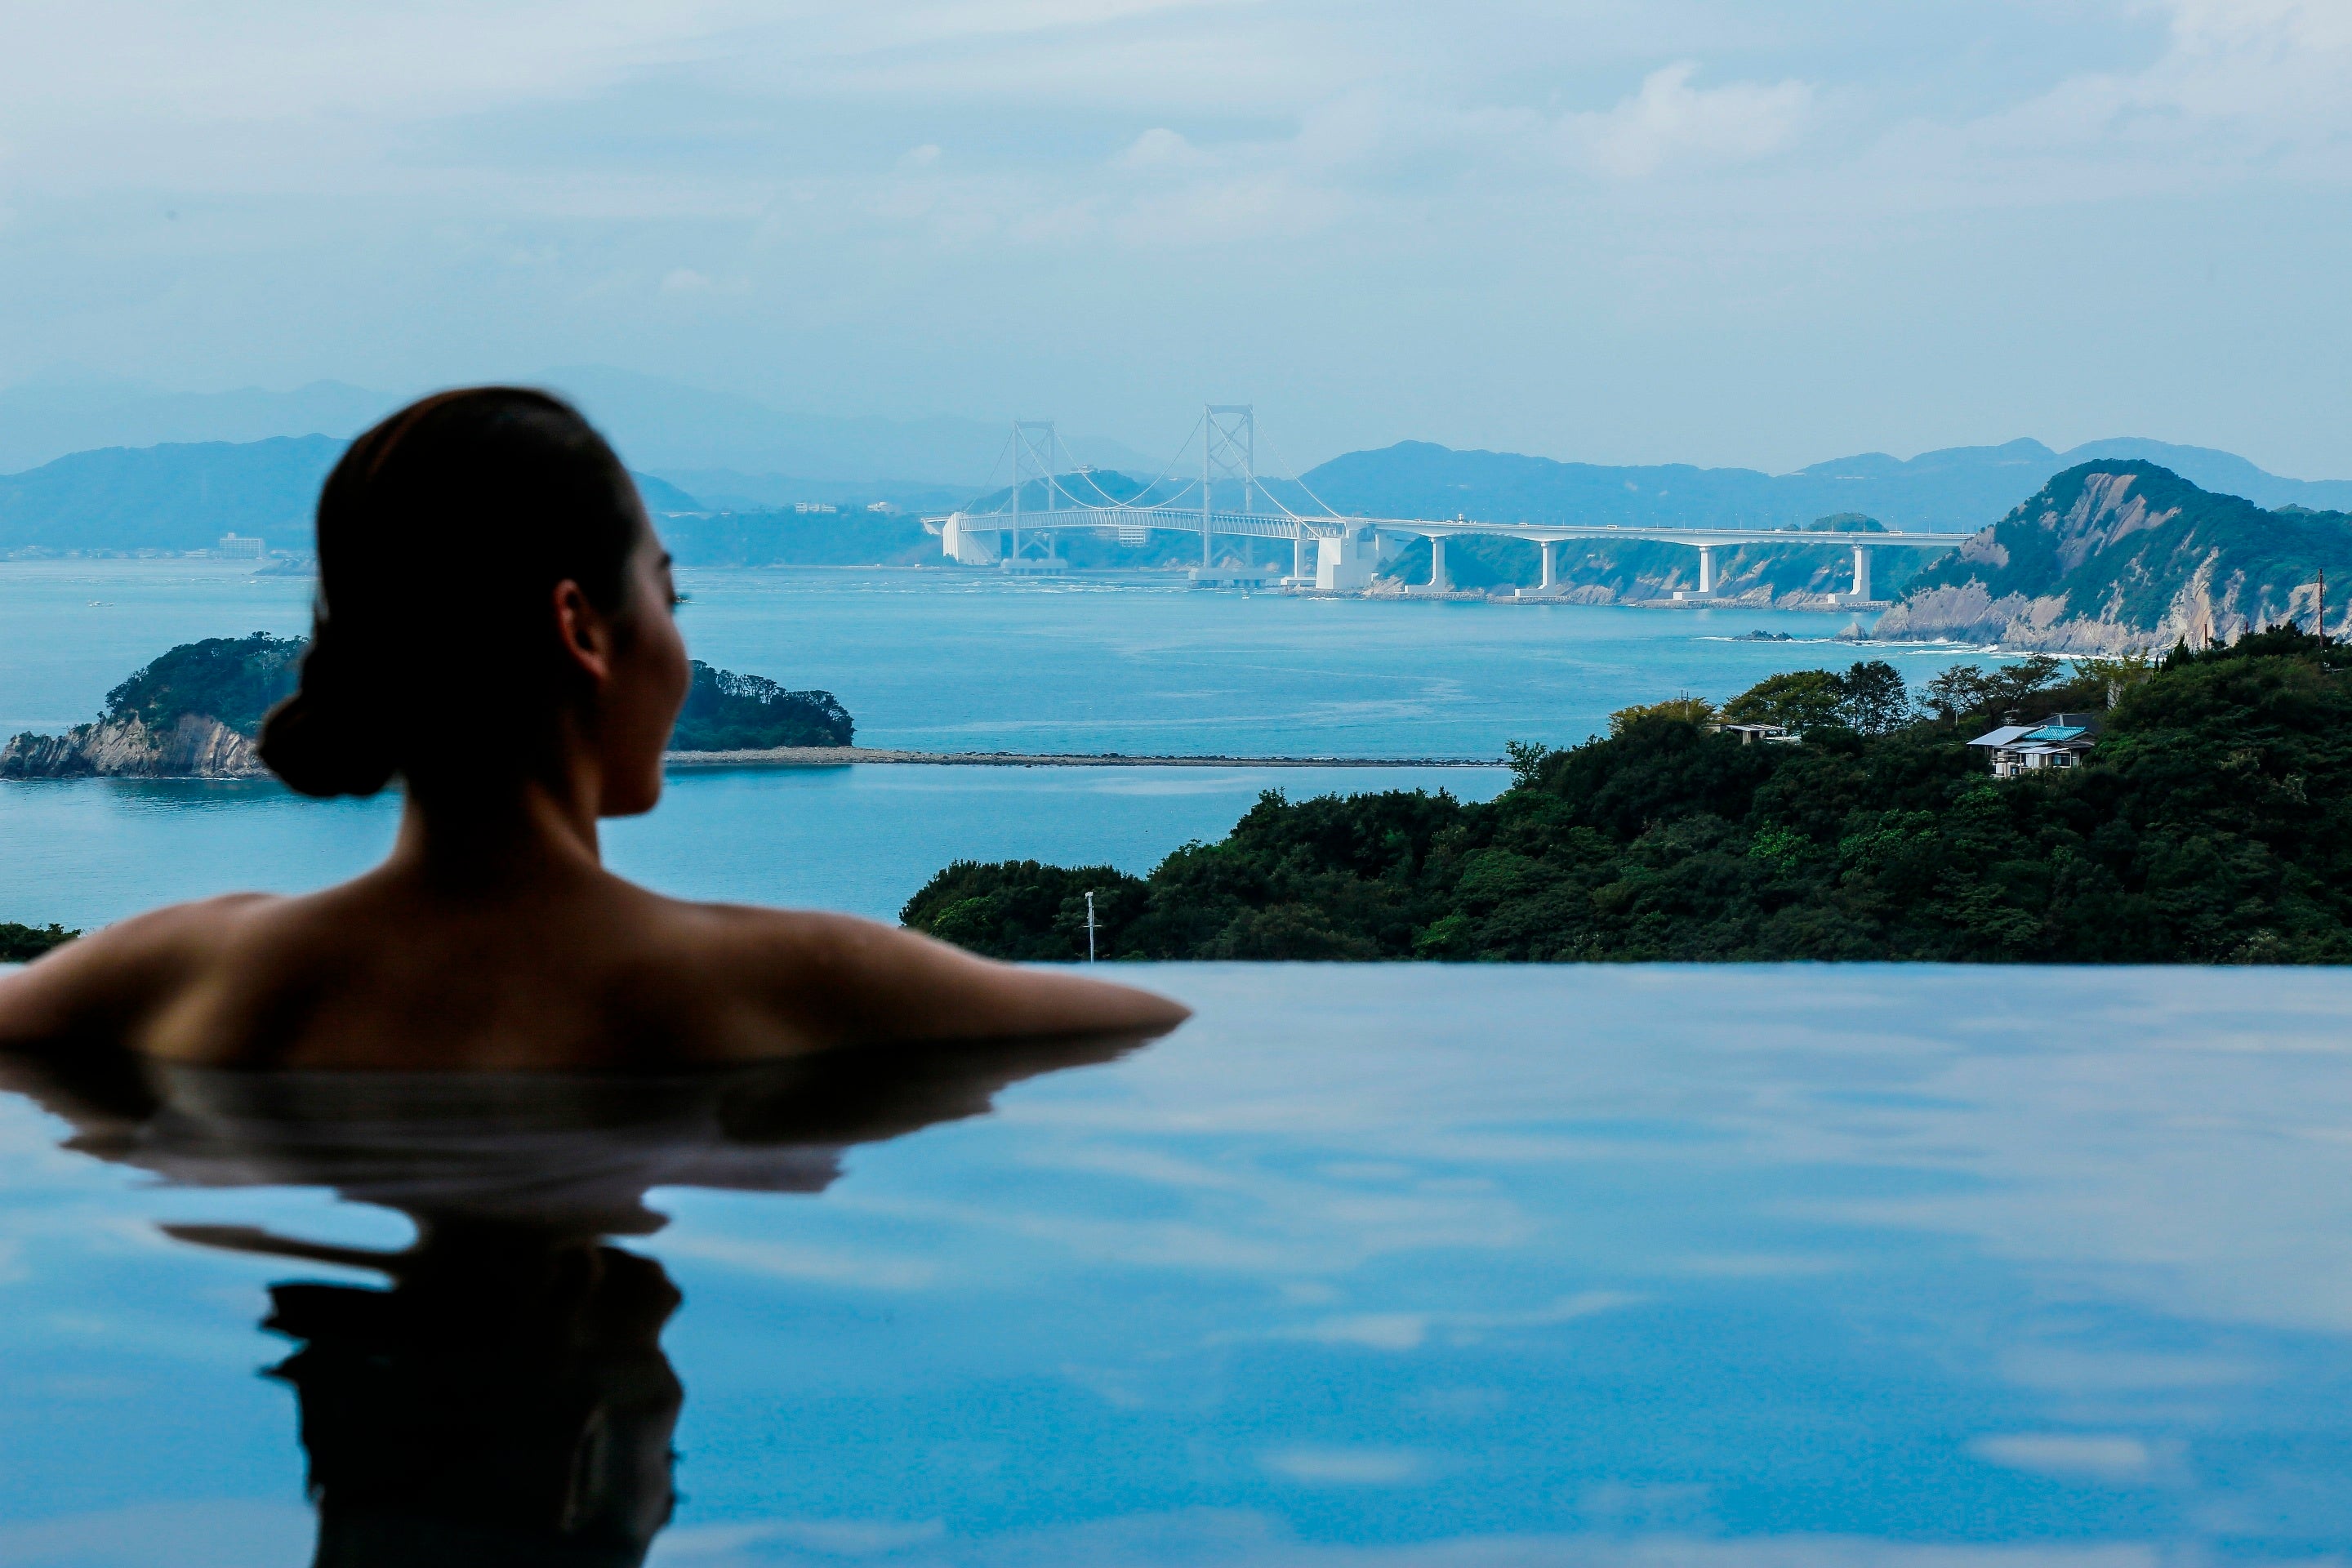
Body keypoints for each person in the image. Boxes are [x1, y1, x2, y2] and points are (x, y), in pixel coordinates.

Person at [0, 388, 1187, 1069]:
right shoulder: (793, 982)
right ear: (584, 628)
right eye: (671, 599)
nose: (677, 646)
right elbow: (1171, 1031)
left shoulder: (175, 978)